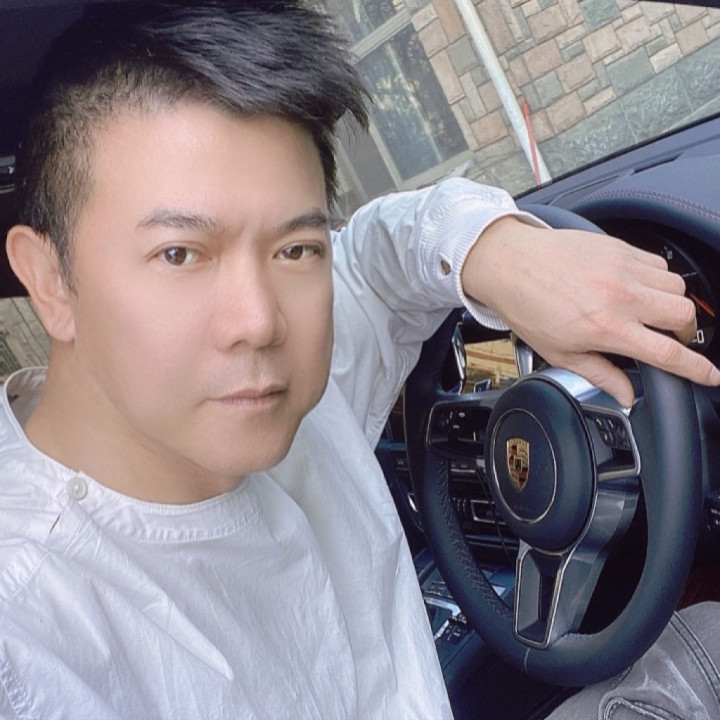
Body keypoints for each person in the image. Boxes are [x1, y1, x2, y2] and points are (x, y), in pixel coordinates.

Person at [0, 1, 718, 718]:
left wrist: (500, 251)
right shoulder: (29, 644)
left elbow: (377, 263)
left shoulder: (279, 393)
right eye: (180, 254)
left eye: (295, 248)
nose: (259, 322)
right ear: (50, 280)